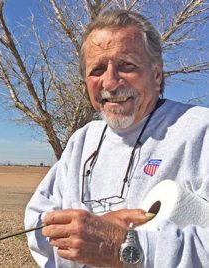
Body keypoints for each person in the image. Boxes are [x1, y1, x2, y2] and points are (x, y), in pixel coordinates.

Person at [24, 9, 209, 268]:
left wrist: (123, 246)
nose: (110, 83)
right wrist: (79, 234)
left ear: (157, 75)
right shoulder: (82, 141)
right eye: (97, 70)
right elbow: (36, 221)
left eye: (126, 66)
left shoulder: (199, 130)